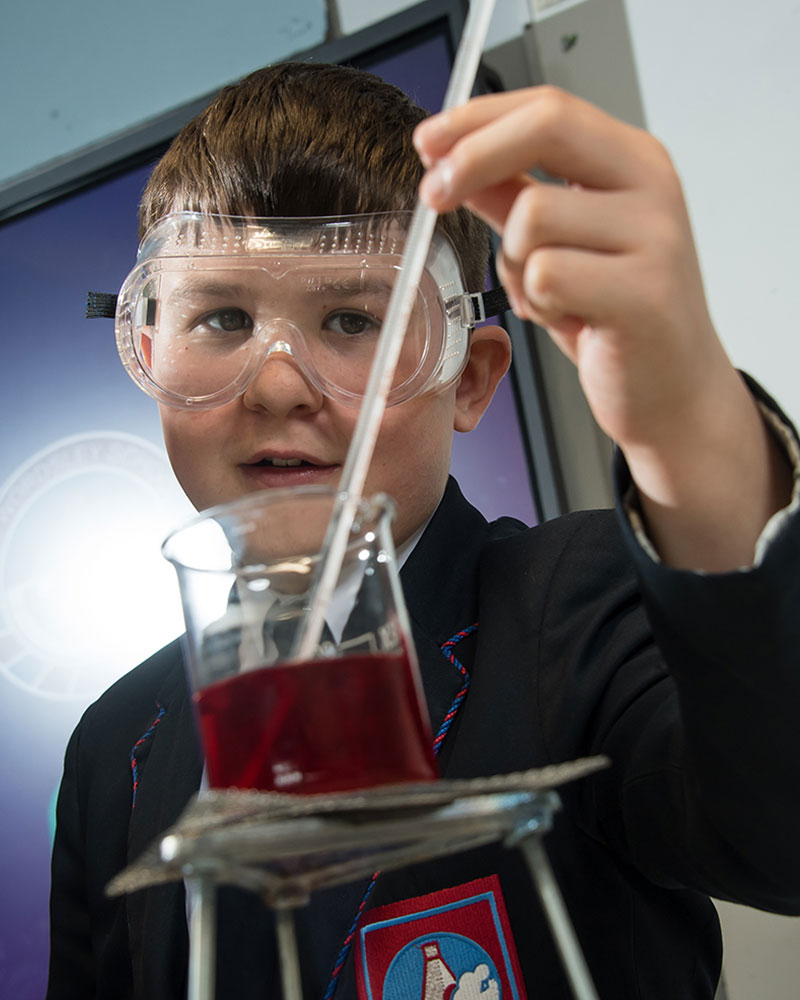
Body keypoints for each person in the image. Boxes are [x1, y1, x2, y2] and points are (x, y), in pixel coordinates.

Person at [47, 61, 800, 1000]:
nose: (279, 385)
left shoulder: (581, 608)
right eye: (226, 316)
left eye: (355, 318)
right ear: (151, 354)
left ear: (473, 377)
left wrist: (690, 420)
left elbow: (781, 833)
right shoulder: (119, 743)